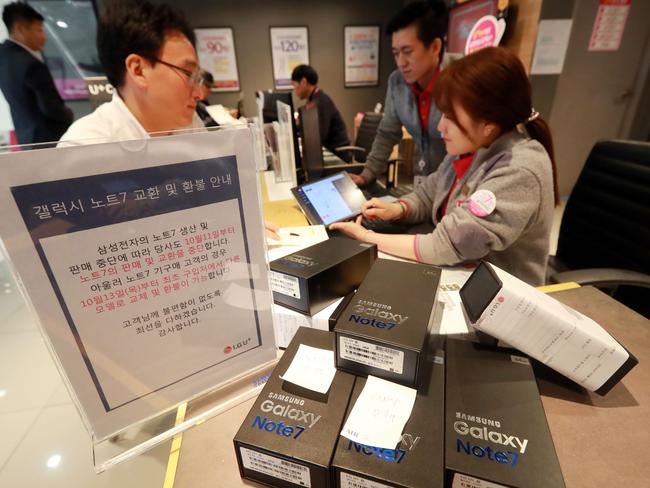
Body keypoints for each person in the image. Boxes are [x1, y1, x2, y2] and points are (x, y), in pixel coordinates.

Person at [331, 47, 559, 286]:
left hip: (499, 298)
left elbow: (447, 244)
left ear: (488, 124)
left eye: (451, 116)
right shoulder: (472, 146)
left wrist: (367, 237)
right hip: (462, 275)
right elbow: (429, 192)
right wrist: (399, 209)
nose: (440, 127)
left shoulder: (519, 169)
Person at [58, 0, 205, 145]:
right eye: (188, 73)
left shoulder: (191, 126)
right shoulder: (86, 146)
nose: (199, 94)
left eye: (197, 77)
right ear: (138, 70)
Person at [350, 1, 449, 187]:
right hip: (424, 184)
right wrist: (367, 174)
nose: (401, 62)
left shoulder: (464, 76)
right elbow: (387, 133)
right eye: (396, 53)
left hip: (461, 188)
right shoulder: (397, 82)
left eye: (407, 51)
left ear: (435, 47)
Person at [0, 2, 73, 146]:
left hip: (26, 138)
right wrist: (69, 115)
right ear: (20, 29)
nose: (43, 37)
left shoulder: (4, 56)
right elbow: (52, 109)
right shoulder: (31, 65)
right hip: (50, 141)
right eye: (38, 30)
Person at [291, 64, 352, 162]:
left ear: (303, 82)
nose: (294, 90)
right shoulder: (315, 99)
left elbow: (319, 136)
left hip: (337, 155)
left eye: (294, 85)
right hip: (329, 151)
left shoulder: (321, 102)